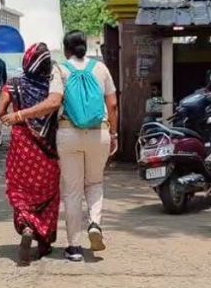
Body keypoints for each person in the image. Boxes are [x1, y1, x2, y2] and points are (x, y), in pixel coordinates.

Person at [53, 30, 118, 262]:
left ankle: (74, 247)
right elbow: (112, 104)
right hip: (99, 133)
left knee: (72, 191)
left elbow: (54, 101)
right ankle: (95, 224)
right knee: (94, 182)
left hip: (68, 132)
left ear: (66, 49)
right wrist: (114, 133)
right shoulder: (101, 68)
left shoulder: (60, 69)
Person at [0, 43, 63, 266]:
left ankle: (26, 225)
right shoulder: (53, 87)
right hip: (47, 150)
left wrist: (15, 117)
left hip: (21, 147)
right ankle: (44, 240)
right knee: (49, 194)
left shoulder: (13, 84)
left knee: (19, 189)